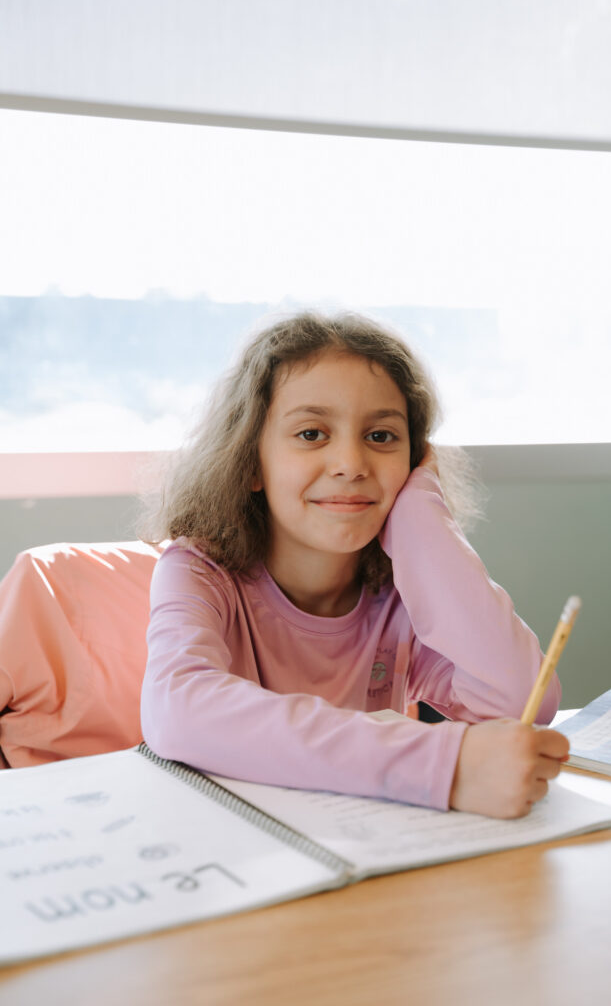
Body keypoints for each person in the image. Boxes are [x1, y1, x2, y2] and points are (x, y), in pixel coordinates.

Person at [140, 311, 567, 818]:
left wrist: (422, 523)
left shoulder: (403, 595)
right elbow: (179, 711)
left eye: (382, 437)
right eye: (312, 434)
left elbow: (520, 702)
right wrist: (438, 767)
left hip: (363, 844)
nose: (351, 463)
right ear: (250, 461)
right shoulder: (196, 571)